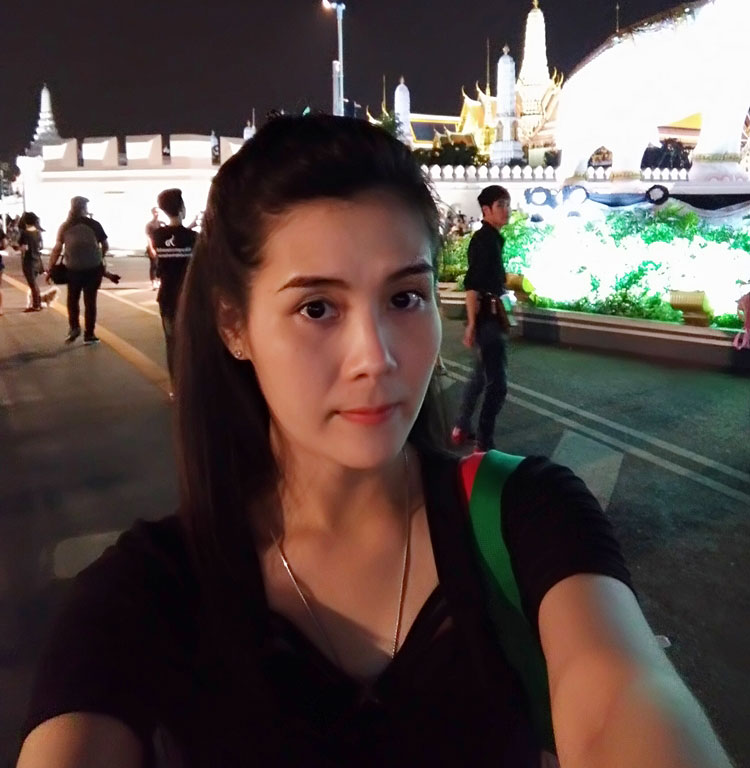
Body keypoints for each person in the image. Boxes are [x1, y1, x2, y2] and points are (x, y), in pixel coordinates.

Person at [17, 116, 732, 768]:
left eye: (404, 298)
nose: (376, 357)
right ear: (234, 324)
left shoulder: (527, 518)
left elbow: (617, 704)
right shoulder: (149, 593)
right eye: (317, 308)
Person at [451, 184, 511, 451]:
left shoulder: (493, 238)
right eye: (501, 205)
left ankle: (461, 427)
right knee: (497, 384)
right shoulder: (483, 240)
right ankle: (484, 442)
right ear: (486, 210)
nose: (507, 210)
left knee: (479, 376)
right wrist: (472, 324)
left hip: (490, 315)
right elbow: (472, 285)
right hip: (486, 319)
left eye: (507, 204)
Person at [46, 196, 108, 345]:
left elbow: (57, 249)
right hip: (93, 269)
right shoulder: (94, 224)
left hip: (73, 269)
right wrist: (99, 257)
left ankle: (74, 327)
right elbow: (106, 245)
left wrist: (50, 268)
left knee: (72, 299)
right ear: (84, 208)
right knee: (90, 302)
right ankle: (89, 335)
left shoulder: (65, 226)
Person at [151, 188, 198, 383]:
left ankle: (175, 386)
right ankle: (192, 384)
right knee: (192, 343)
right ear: (181, 208)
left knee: (172, 343)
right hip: (190, 297)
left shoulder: (157, 235)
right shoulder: (194, 238)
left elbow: (159, 261)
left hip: (166, 297)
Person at [145, 207, 163, 290]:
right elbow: (148, 237)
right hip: (153, 246)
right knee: (154, 264)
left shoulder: (162, 223)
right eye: (155, 212)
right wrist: (151, 248)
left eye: (158, 212)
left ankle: (158, 280)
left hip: (161, 247)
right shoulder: (149, 225)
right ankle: (153, 281)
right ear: (152, 213)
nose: (157, 214)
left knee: (160, 264)